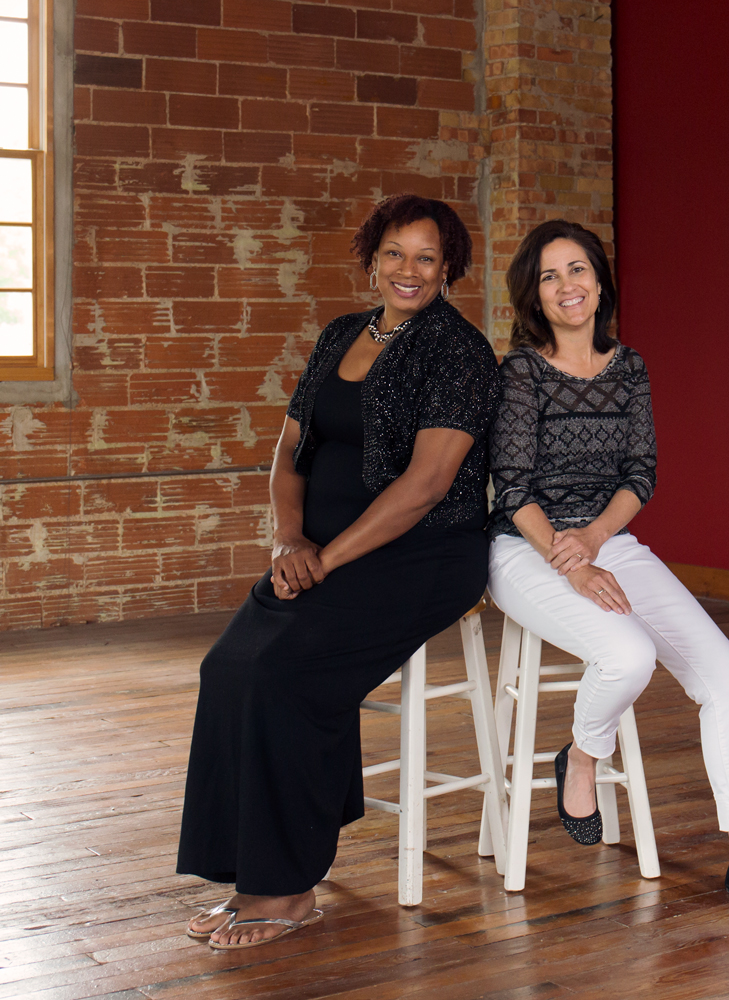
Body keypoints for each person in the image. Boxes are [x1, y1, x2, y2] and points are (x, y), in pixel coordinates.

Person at [176, 194, 501, 949]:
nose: (408, 270)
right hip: (314, 550)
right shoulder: (339, 335)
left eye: (426, 256)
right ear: (372, 259)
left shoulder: (459, 351)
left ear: (449, 266)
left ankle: (287, 893)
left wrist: (325, 557)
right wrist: (289, 540)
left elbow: (424, 486)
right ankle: (250, 874)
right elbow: (290, 450)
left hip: (420, 556)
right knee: (227, 667)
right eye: (394, 253)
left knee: (283, 673)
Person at [486, 220, 729, 903]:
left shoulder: (629, 367)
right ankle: (584, 757)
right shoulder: (521, 372)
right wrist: (573, 562)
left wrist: (594, 541)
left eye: (578, 269)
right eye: (550, 275)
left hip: (605, 538)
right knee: (628, 656)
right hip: (521, 546)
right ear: (533, 294)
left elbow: (640, 474)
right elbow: (513, 486)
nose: (567, 286)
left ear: (599, 281)